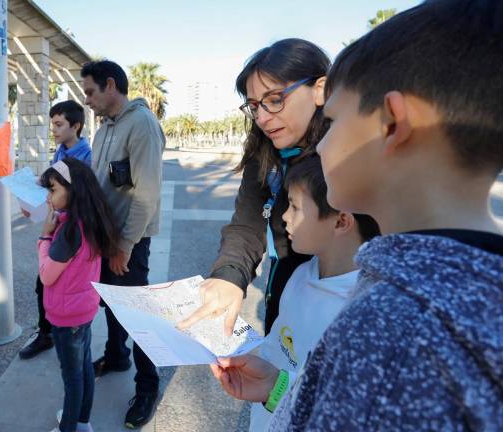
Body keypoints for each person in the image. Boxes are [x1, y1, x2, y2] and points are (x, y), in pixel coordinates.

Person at [214, 0, 503, 429]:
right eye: (254, 106)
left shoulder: (379, 327)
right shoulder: (466, 292)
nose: (323, 148)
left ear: (391, 124)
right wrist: (280, 387)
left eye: (335, 118)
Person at [210, 155, 379, 431]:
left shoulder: (362, 313)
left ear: (340, 222)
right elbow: (277, 353)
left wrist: (276, 388)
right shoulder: (300, 274)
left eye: (294, 207)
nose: (284, 217)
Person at [178, 39, 330, 337]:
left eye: (275, 100)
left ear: (320, 89)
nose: (261, 118)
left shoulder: (347, 158)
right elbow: (249, 222)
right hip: (281, 300)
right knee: (277, 380)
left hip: (332, 314)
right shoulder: (265, 151)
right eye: (254, 106)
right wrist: (229, 276)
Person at [81, 60, 165, 428]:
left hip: (128, 239)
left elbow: (146, 194)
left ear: (110, 85)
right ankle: (116, 355)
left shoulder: (142, 124)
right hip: (104, 236)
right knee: (110, 304)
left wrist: (126, 245)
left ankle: (147, 386)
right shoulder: (103, 130)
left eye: (90, 91)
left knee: (137, 312)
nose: (87, 100)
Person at [37, 158, 119, 432]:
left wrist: (44, 238)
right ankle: (82, 422)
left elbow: (47, 274)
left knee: (72, 378)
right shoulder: (89, 220)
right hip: (83, 311)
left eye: (52, 190)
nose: (49, 197)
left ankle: (68, 428)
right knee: (84, 369)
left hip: (65, 316)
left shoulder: (68, 231)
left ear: (72, 191)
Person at [19, 100, 92, 360]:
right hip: (58, 223)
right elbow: (51, 186)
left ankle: (71, 335)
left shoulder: (87, 157)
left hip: (72, 232)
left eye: (59, 124)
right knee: (43, 285)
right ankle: (46, 333)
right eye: (53, 124)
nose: (54, 130)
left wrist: (48, 232)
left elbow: (83, 198)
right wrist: (34, 202)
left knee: (58, 282)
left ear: (76, 125)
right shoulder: (60, 152)